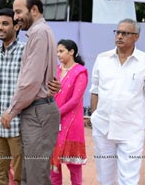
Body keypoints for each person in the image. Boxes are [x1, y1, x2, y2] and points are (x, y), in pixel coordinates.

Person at [90, 18, 145, 184]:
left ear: (136, 37)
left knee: (128, 179)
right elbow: (95, 91)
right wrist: (94, 117)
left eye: (125, 33)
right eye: (118, 32)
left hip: (131, 131)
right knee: (105, 178)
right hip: (102, 129)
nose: (120, 36)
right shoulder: (102, 59)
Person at [1, 0, 60, 185]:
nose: (15, 16)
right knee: (30, 174)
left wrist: (11, 110)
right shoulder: (40, 32)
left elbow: (31, 81)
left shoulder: (38, 33)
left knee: (35, 176)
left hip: (38, 111)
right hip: (37, 110)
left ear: (34, 10)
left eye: (18, 12)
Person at [0, 8, 25, 185]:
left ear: (16, 27)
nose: (0, 27)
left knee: (20, 176)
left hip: (19, 125)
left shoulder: (26, 52)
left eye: (5, 23)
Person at [50, 39, 88, 185]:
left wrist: (56, 113)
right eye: (57, 52)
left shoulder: (80, 72)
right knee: (54, 167)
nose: (58, 54)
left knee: (74, 168)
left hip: (71, 124)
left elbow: (75, 100)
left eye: (61, 51)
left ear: (71, 52)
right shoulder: (57, 70)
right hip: (54, 123)